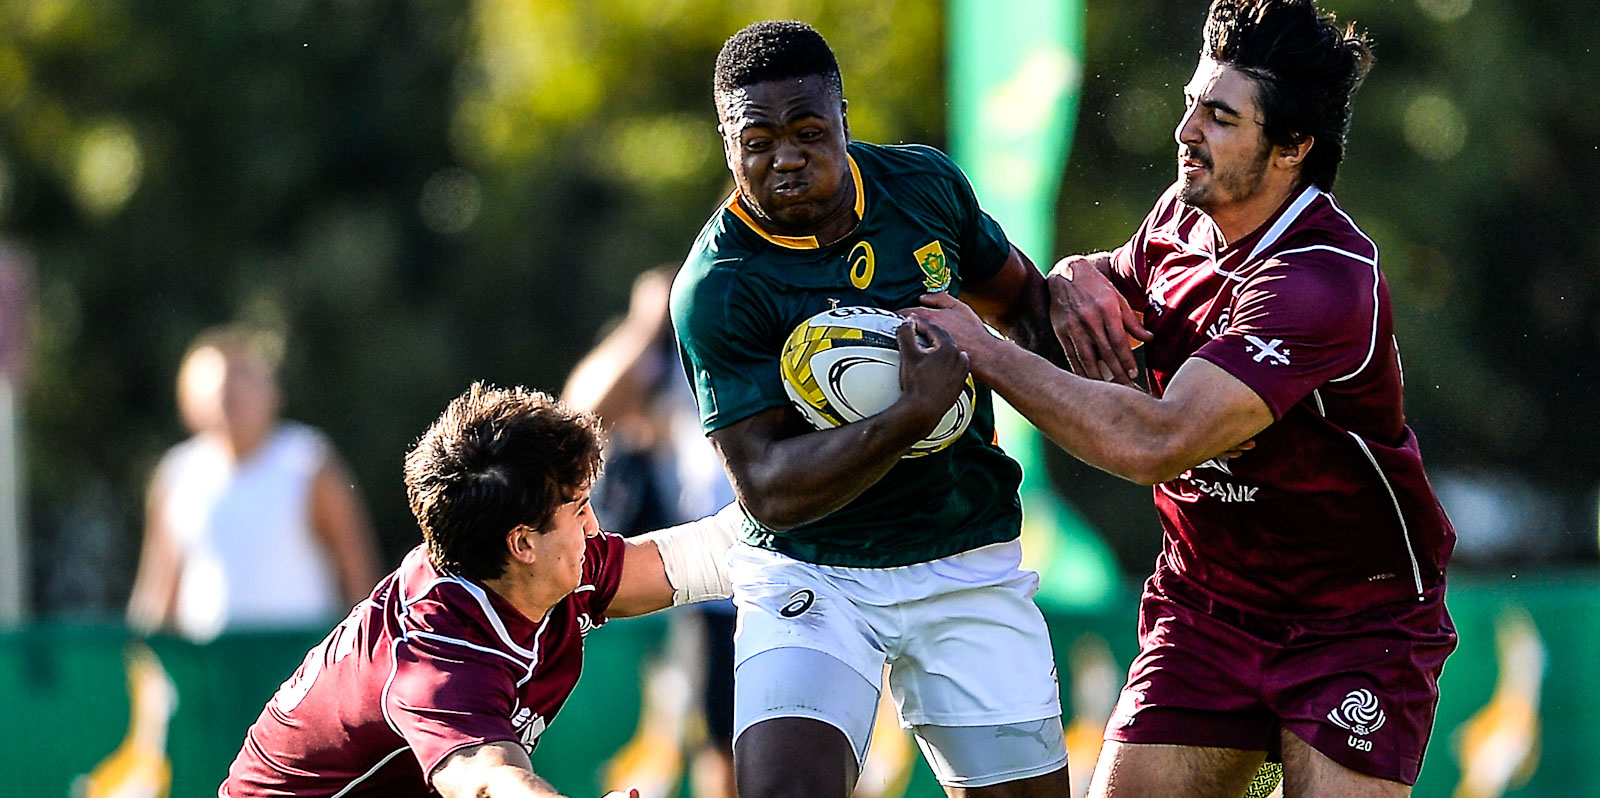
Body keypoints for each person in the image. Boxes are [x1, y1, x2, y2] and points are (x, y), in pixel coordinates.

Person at [908, 1, 1457, 795]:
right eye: (1191, 101)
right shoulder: (1178, 218)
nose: (1186, 129)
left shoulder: (1324, 280)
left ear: (1292, 148)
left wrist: (980, 350)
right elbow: (1104, 289)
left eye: (1220, 116)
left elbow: (1156, 442)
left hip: (1353, 625)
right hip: (1205, 611)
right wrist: (1070, 272)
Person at [671, 20, 1073, 798]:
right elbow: (770, 489)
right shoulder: (717, 285)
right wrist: (907, 417)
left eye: (808, 131)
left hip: (963, 554)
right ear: (727, 145)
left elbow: (1023, 304)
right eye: (757, 140)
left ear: (844, 119)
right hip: (815, 572)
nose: (785, 157)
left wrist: (1094, 319)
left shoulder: (923, 187)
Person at [220, 382, 744, 798]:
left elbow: (701, 559)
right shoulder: (438, 653)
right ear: (522, 543)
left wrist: (812, 520)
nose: (594, 524)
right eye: (579, 506)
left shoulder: (533, 567)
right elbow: (488, 782)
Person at [562, 264, 738, 798]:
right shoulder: (687, 338)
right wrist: (647, 320)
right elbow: (580, 413)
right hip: (715, 580)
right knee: (724, 744)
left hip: (810, 561)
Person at [127, 325, 381, 642]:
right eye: (219, 383)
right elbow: (159, 590)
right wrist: (139, 657)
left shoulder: (309, 463)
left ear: (273, 393)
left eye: (245, 376)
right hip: (213, 673)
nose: (231, 391)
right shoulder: (176, 475)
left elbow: (358, 574)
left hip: (300, 666)